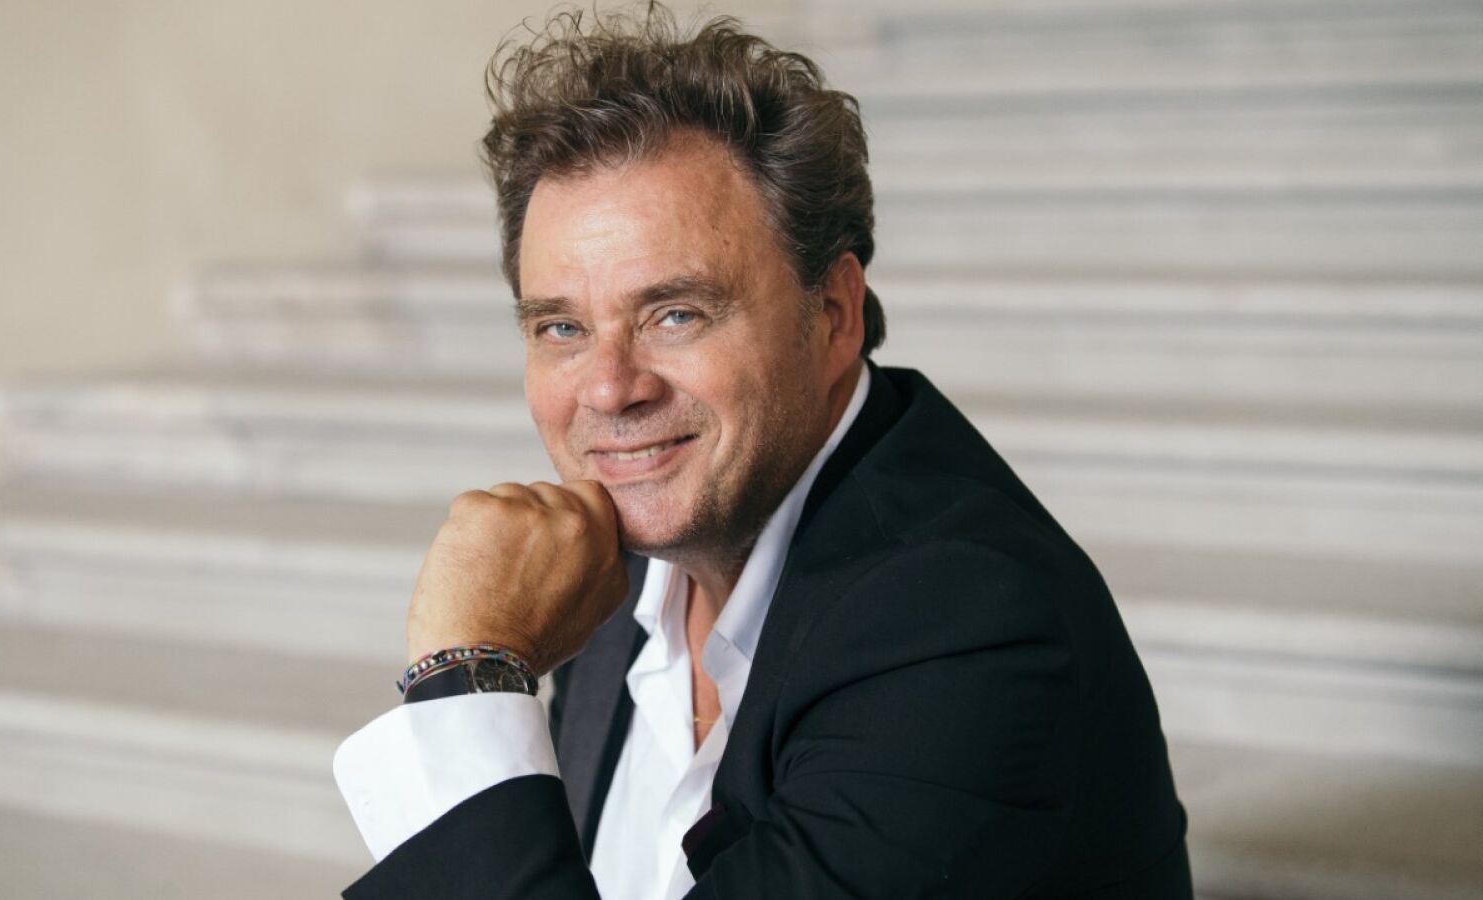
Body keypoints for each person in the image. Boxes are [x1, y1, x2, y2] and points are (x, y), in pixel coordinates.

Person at [333, 7, 1191, 898]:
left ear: (833, 316)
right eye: (561, 328)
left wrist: (470, 678)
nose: (609, 389)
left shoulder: (963, 627)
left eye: (675, 314)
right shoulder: (615, 564)